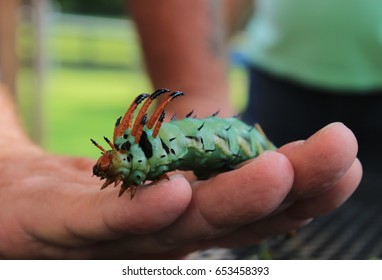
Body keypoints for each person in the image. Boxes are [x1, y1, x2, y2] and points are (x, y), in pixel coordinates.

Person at [0, 1, 362, 259]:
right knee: (271, 196)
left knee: (293, 191)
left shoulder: (169, 149)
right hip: (278, 84)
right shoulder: (155, 152)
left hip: (249, 133)